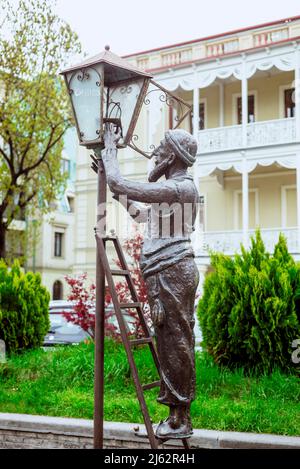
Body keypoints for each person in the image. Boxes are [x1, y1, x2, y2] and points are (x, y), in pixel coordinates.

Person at [99, 124, 200, 439]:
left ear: (171, 156)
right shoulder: (171, 191)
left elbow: (120, 181)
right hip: (165, 272)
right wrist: (112, 182)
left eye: (160, 148)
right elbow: (139, 214)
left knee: (178, 343)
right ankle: (173, 418)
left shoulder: (181, 188)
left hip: (173, 271)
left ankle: (182, 418)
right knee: (170, 344)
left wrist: (110, 150)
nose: (154, 153)